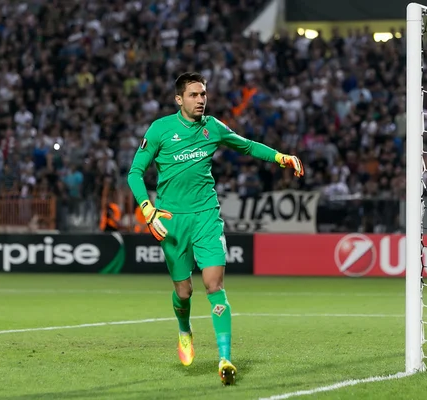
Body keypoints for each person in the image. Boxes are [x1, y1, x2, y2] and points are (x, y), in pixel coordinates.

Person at [127, 72, 304, 385]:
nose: (200, 100)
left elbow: (247, 147)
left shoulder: (213, 127)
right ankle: (184, 330)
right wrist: (147, 208)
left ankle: (225, 358)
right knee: (184, 291)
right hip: (172, 220)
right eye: (194, 95)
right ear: (178, 99)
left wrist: (280, 157)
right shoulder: (160, 130)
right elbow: (134, 173)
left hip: (207, 215)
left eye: (203, 94)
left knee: (213, 284)